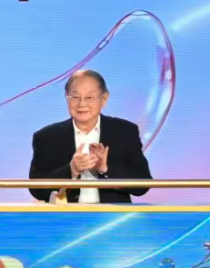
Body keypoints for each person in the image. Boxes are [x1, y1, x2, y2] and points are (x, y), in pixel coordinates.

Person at [28, 69, 153, 203]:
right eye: (75, 97)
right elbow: (37, 189)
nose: (82, 104)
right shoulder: (47, 136)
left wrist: (106, 169)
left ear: (104, 98)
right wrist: (71, 170)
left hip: (112, 214)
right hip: (66, 214)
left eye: (89, 97)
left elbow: (142, 185)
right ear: (66, 97)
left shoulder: (125, 132)